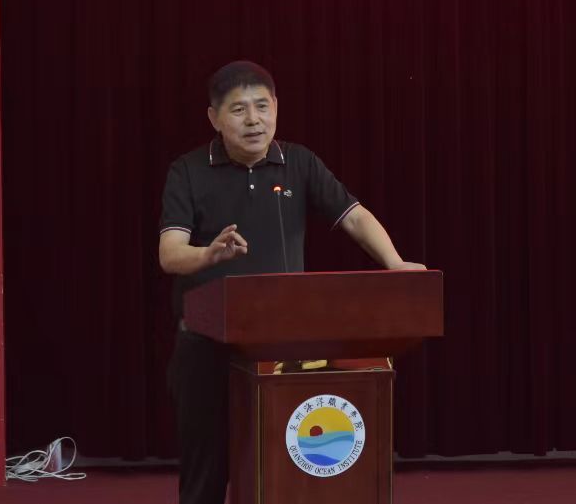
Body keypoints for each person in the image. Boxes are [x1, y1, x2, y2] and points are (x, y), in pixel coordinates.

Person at [158, 60, 425, 504]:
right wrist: (208, 254)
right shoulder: (188, 170)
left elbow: (354, 217)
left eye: (262, 107)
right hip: (206, 344)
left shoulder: (298, 162)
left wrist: (394, 264)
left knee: (283, 458)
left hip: (280, 343)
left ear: (277, 108)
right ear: (214, 118)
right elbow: (170, 253)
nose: (253, 120)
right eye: (239, 109)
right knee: (207, 466)